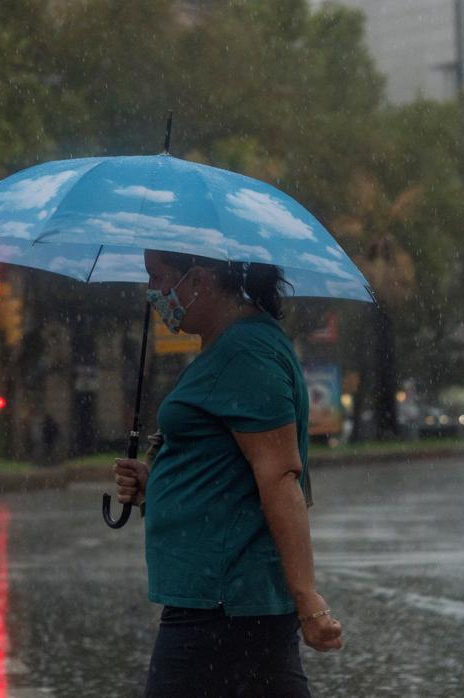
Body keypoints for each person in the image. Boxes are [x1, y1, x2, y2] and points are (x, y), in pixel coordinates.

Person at [114, 250, 343, 697]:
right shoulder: (230, 348)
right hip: (224, 600)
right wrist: (154, 487)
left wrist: (307, 600)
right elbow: (224, 471)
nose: (153, 294)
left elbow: (279, 475)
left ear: (198, 279)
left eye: (158, 278)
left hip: (221, 604)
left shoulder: (246, 353)